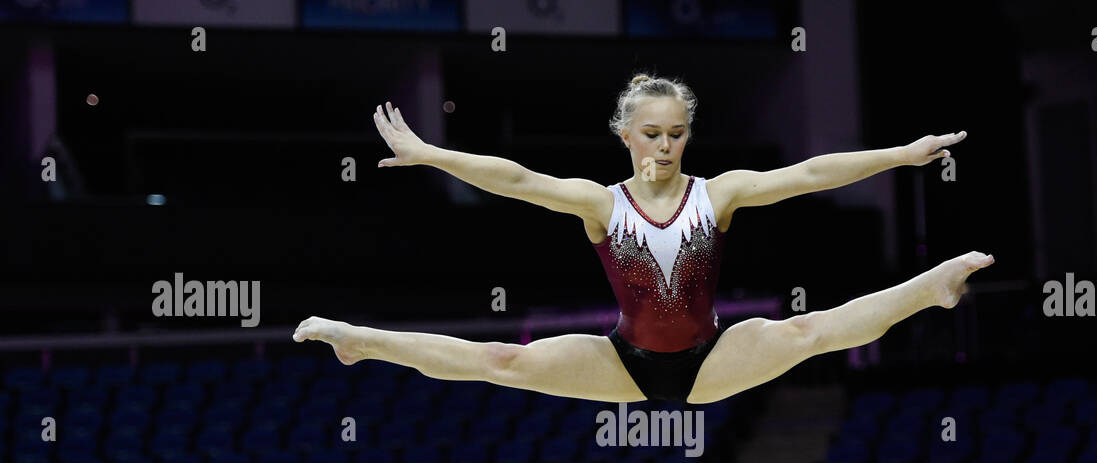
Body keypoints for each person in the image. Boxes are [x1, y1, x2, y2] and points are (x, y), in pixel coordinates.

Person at [294, 73, 993, 403]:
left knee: (806, 334)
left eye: (676, 132)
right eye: (650, 133)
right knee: (500, 362)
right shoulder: (600, 204)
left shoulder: (718, 194)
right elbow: (514, 178)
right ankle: (362, 341)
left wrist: (900, 154)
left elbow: (810, 172)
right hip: (621, 360)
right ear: (625, 135)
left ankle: (930, 287)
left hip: (711, 357)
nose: (664, 144)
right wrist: (433, 155)